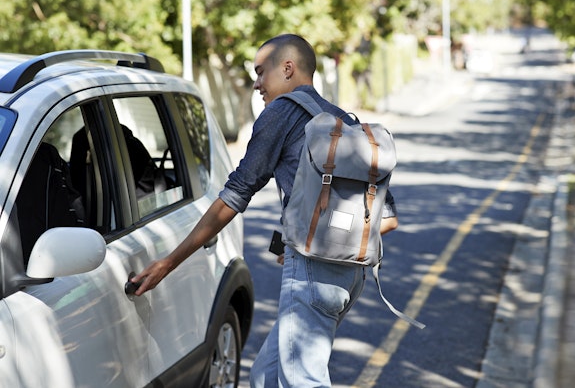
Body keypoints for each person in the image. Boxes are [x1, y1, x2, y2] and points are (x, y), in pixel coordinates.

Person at [131, 34, 398, 387]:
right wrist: (317, 239)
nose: (256, 84)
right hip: (352, 276)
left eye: (260, 72)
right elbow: (388, 219)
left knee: (303, 380)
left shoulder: (281, 112)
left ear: (287, 69)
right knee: (266, 376)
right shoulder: (341, 121)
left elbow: (236, 193)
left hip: (314, 275)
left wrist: (169, 262)